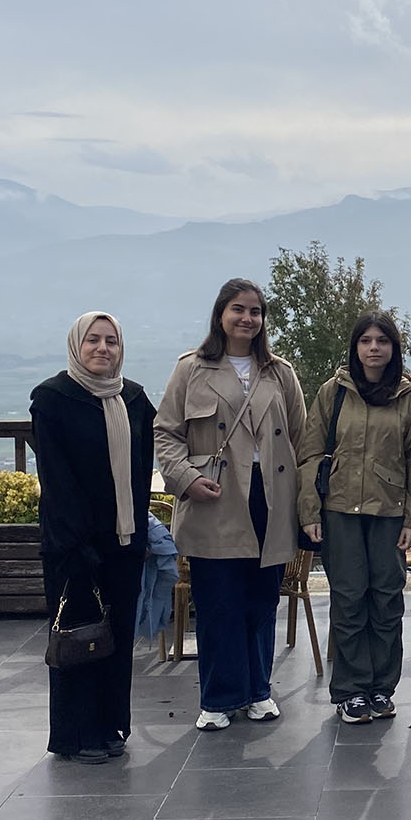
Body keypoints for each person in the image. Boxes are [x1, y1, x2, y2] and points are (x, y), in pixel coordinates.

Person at [154, 277, 306, 731]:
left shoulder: (280, 372)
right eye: (238, 309)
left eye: (256, 311)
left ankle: (259, 690)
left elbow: (300, 435)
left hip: (271, 498)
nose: (247, 318)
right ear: (221, 314)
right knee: (218, 600)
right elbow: (166, 432)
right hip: (214, 497)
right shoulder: (191, 369)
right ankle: (219, 698)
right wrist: (186, 478)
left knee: (261, 601)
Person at [31, 312, 155, 763]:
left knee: (117, 638)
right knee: (76, 635)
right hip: (73, 545)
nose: (103, 348)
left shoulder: (136, 399)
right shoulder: (52, 398)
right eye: (93, 340)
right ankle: (76, 734)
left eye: (111, 341)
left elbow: (141, 473)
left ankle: (111, 726)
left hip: (123, 542)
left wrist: (138, 535)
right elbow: (57, 478)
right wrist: (78, 543)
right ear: (76, 346)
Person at [299, 314, 411, 726]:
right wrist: (309, 511)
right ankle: (352, 690)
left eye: (383, 341)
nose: (374, 348)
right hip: (339, 511)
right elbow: (309, 453)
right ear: (355, 347)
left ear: (394, 348)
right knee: (349, 599)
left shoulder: (409, 398)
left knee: (387, 601)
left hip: (390, 514)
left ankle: (381, 688)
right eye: (366, 341)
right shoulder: (332, 393)